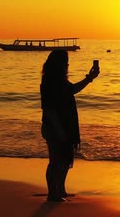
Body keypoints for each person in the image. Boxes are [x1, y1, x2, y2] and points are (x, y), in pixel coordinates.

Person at [40, 50, 100, 202]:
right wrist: (60, 131)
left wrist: (90, 78)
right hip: (54, 127)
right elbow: (49, 110)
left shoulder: (61, 81)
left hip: (65, 126)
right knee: (56, 161)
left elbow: (73, 90)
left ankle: (60, 189)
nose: (67, 65)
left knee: (65, 159)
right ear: (58, 65)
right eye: (65, 63)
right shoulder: (48, 83)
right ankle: (52, 193)